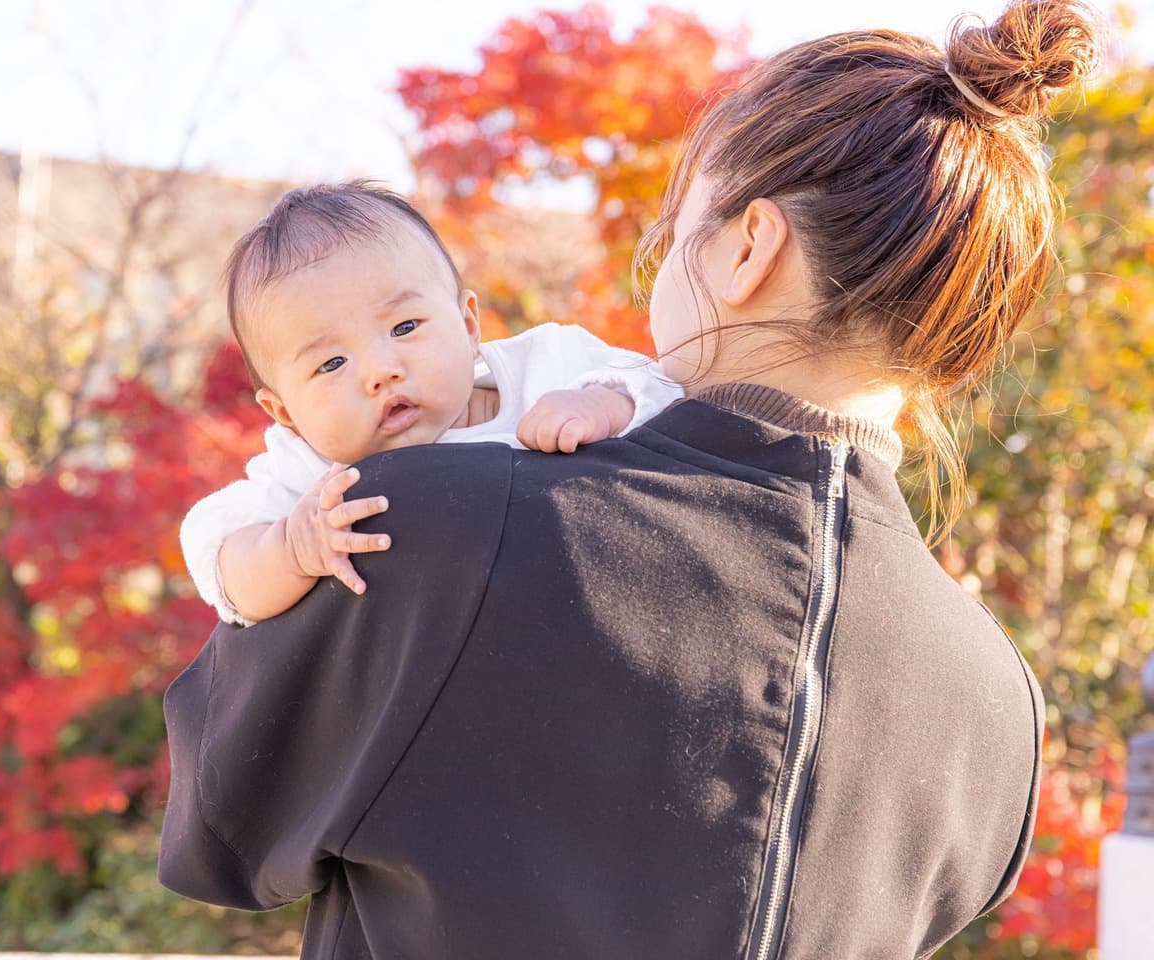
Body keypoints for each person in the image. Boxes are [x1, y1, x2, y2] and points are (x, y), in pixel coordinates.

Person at [158, 1, 1100, 957]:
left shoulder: (428, 529)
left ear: (749, 248)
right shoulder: (1000, 705)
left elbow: (224, 830)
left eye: (675, 225)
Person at [181, 182, 683, 626]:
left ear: (468, 326)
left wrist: (602, 402)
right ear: (287, 414)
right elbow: (217, 556)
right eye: (332, 364)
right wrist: (290, 548)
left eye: (404, 328)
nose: (381, 371)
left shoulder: (549, 366)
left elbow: (670, 392)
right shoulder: (312, 477)